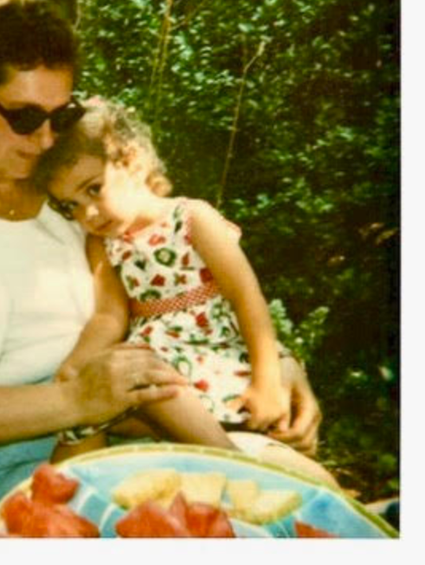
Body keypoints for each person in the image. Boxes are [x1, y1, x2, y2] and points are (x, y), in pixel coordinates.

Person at [0, 0, 325, 536]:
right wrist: (74, 400)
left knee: (304, 502)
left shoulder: (69, 192)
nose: (47, 138)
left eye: (62, 115)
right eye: (25, 117)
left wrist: (282, 365)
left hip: (141, 416)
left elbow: (180, 290)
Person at [35, 97, 336, 486]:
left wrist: (267, 380)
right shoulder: (101, 243)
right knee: (103, 400)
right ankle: (61, 507)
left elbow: (246, 296)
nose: (88, 214)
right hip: (158, 366)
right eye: (71, 206)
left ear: (133, 161)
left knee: (154, 385)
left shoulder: (192, 217)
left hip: (209, 358)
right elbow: (109, 316)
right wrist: (75, 365)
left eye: (93, 190)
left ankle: (240, 469)